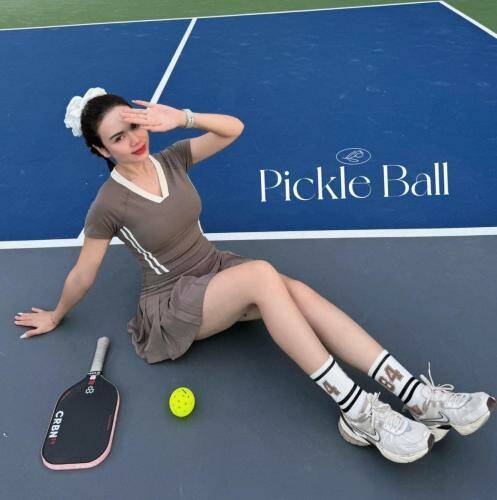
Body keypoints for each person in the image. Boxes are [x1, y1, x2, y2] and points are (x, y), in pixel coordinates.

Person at [14, 87, 495, 464]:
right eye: (118, 137)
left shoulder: (171, 159)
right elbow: (84, 273)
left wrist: (183, 117)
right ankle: (357, 411)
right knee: (264, 275)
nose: (134, 138)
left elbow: (233, 130)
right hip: (171, 304)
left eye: (134, 124)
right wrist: (56, 314)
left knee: (294, 290)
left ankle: (416, 395)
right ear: (99, 149)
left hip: (215, 272)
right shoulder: (108, 204)